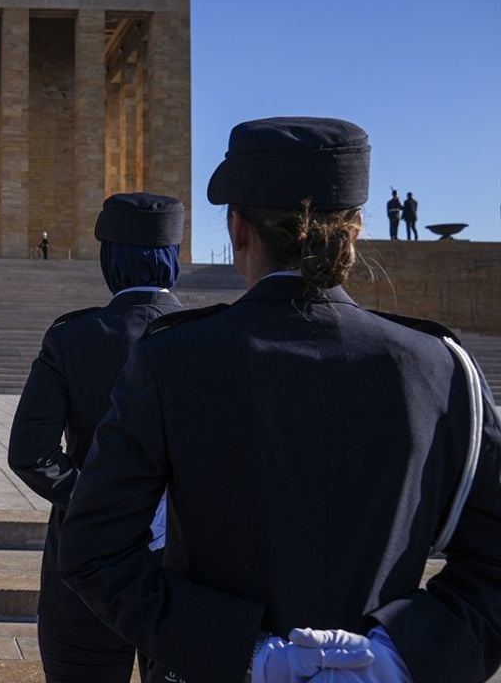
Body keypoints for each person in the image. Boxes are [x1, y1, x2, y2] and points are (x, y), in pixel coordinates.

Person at [59, 117, 501, 683]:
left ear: (238, 229)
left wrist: (247, 652)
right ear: (357, 229)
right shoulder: (439, 366)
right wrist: (399, 655)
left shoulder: (172, 360)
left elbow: (94, 550)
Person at [9, 193, 184, 683]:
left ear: (110, 260)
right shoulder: (210, 339)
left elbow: (31, 452)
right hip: (183, 573)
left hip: (86, 565)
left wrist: (103, 502)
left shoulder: (73, 337)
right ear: (174, 258)